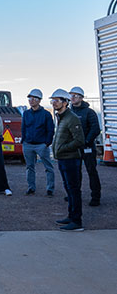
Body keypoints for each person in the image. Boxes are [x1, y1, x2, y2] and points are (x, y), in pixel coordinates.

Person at [51, 89, 85, 231]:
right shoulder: (61, 117)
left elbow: (79, 140)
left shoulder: (72, 118)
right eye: (52, 100)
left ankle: (77, 221)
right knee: (68, 189)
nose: (53, 103)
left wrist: (62, 148)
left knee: (74, 189)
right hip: (63, 159)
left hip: (71, 159)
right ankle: (71, 216)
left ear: (65, 103)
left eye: (57, 100)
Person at [69, 86, 101, 206]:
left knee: (91, 171)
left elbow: (95, 129)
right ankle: (74, 194)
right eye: (71, 95)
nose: (72, 98)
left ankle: (96, 197)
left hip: (87, 147)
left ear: (81, 98)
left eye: (75, 96)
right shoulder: (70, 112)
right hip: (74, 148)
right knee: (75, 172)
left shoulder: (89, 112)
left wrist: (86, 141)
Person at [21, 88, 55, 196]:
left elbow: (50, 130)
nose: (31, 100)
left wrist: (47, 143)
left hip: (41, 145)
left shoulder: (46, 114)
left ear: (39, 100)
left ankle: (50, 188)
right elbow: (23, 128)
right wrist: (24, 141)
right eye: (30, 98)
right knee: (29, 167)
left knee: (48, 167)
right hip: (28, 144)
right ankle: (31, 187)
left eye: (33, 98)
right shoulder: (26, 114)